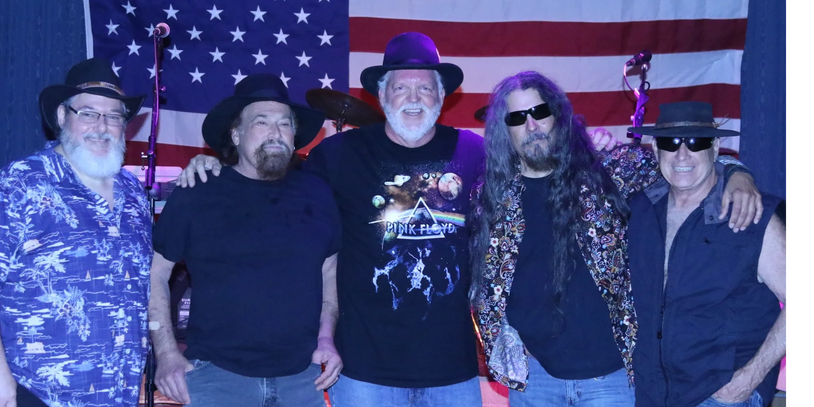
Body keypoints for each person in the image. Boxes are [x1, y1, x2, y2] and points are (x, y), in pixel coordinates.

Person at [178, 32, 487, 407]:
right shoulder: (337, 154)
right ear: (381, 95)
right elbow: (267, 188)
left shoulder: (476, 153)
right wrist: (216, 164)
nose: (413, 98)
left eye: (425, 88)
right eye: (401, 88)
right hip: (363, 372)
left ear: (441, 96)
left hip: (453, 369)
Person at [469, 71, 762, 406]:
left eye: (539, 112)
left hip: (612, 381)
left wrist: (735, 171)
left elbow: (684, 163)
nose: (532, 125)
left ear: (557, 115)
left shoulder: (608, 170)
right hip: (535, 382)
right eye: (518, 117)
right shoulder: (491, 197)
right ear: (504, 128)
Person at [147, 74, 343, 407]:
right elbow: (155, 274)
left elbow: (329, 271)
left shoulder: (317, 193)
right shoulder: (198, 192)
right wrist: (165, 353)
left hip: (301, 381)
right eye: (261, 122)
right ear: (236, 134)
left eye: (285, 124)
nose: (275, 133)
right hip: (217, 379)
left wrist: (326, 338)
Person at [0, 58, 151, 406]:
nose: (102, 126)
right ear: (61, 116)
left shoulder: (133, 194)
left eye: (114, 116)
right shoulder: (22, 182)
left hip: (120, 392)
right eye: (88, 113)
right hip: (37, 392)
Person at [627, 102, 788, 407]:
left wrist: (751, 376)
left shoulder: (753, 215)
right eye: (671, 142)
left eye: (696, 141)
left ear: (714, 148)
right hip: (651, 392)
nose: (682, 154)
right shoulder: (640, 209)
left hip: (720, 394)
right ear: (656, 148)